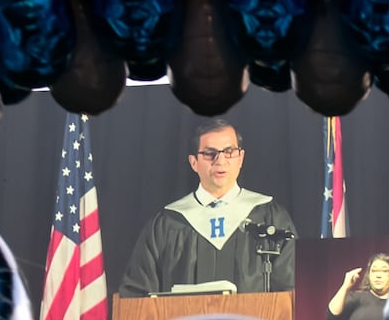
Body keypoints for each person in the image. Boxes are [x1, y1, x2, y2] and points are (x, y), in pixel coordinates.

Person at [120, 118, 298, 296]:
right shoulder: (166, 225)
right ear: (193, 162)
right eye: (209, 153)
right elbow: (137, 296)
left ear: (241, 158)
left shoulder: (271, 218)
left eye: (229, 152)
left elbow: (293, 293)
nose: (220, 161)